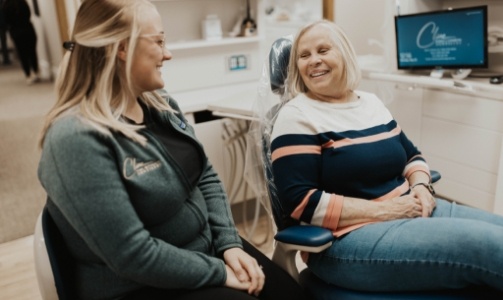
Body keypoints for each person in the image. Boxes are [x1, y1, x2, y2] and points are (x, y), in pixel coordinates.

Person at [37, 1, 308, 299]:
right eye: (159, 41)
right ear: (121, 48)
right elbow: (132, 255)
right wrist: (218, 272)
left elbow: (204, 175)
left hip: (205, 254)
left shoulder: (157, 101)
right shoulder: (75, 140)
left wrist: (229, 243)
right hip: (140, 284)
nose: (167, 53)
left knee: (292, 295)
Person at [269, 19, 503, 292]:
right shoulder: (296, 115)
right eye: (304, 55)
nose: (314, 61)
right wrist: (387, 210)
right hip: (347, 241)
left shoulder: (370, 103)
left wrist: (421, 188)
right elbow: (301, 202)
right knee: (489, 248)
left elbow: (412, 156)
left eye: (323, 50)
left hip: (413, 210)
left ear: (344, 53)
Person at [2, 0, 39, 83]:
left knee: (23, 54)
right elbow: (28, 14)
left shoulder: (6, 5)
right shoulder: (22, 2)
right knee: (32, 52)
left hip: (16, 31)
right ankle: (35, 72)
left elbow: (5, 21)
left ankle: (28, 75)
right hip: (27, 28)